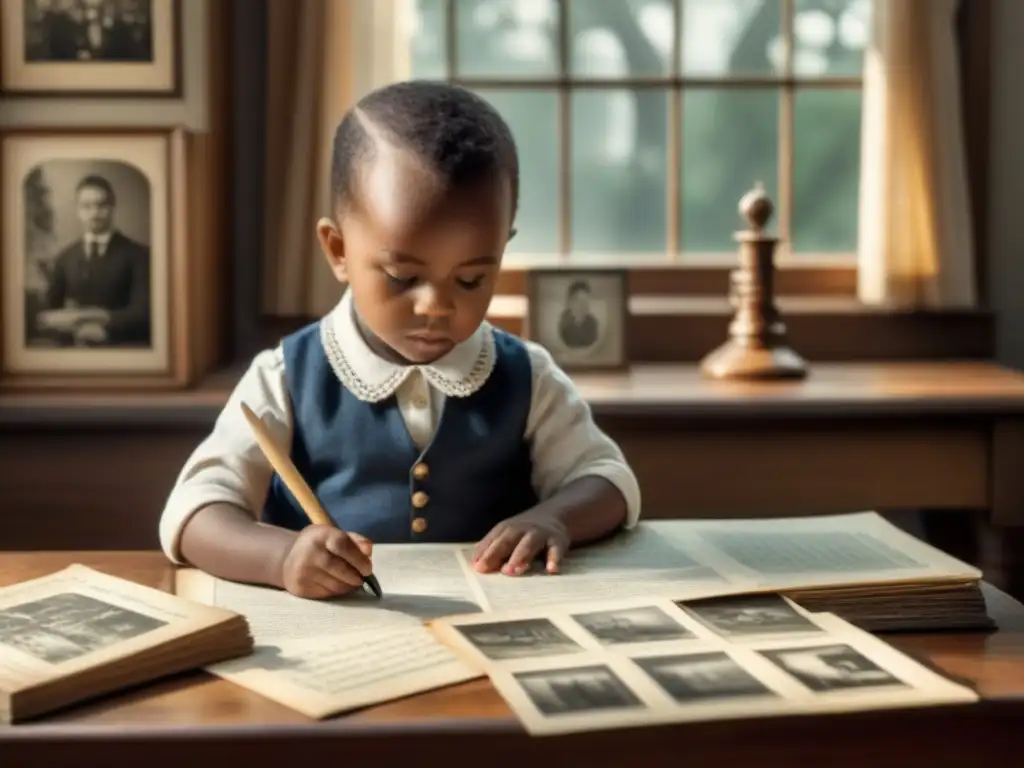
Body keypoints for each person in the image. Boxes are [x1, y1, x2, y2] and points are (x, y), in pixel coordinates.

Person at [158, 81, 642, 600]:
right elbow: (193, 514)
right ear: (338, 249)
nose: (436, 305)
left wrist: (557, 519)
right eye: (402, 276)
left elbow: (609, 480)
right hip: (338, 645)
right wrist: (281, 558)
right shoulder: (285, 377)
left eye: (472, 279)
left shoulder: (527, 374)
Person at [36, 174, 151, 347]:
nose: (95, 213)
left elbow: (143, 313)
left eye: (102, 205)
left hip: (124, 347)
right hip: (74, 349)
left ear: (113, 207)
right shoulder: (65, 257)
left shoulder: (140, 255)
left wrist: (96, 322)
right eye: (86, 206)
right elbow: (47, 314)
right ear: (78, 210)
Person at [558, 279, 599, 349]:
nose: (583, 305)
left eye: (586, 301)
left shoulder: (593, 323)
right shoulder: (563, 323)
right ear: (570, 302)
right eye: (579, 301)